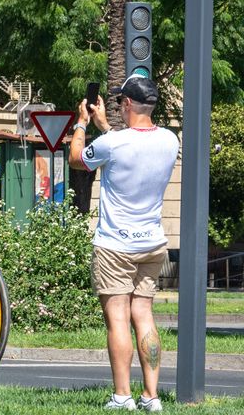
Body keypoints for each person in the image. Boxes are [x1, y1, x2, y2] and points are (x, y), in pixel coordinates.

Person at [70, 76, 179, 412]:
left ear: (128, 104)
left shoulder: (113, 144)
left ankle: (122, 396)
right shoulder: (169, 140)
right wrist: (106, 126)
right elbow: (128, 148)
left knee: (117, 319)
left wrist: (82, 123)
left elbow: (78, 158)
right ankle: (151, 396)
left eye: (119, 103)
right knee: (143, 315)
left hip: (115, 245)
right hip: (152, 244)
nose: (117, 106)